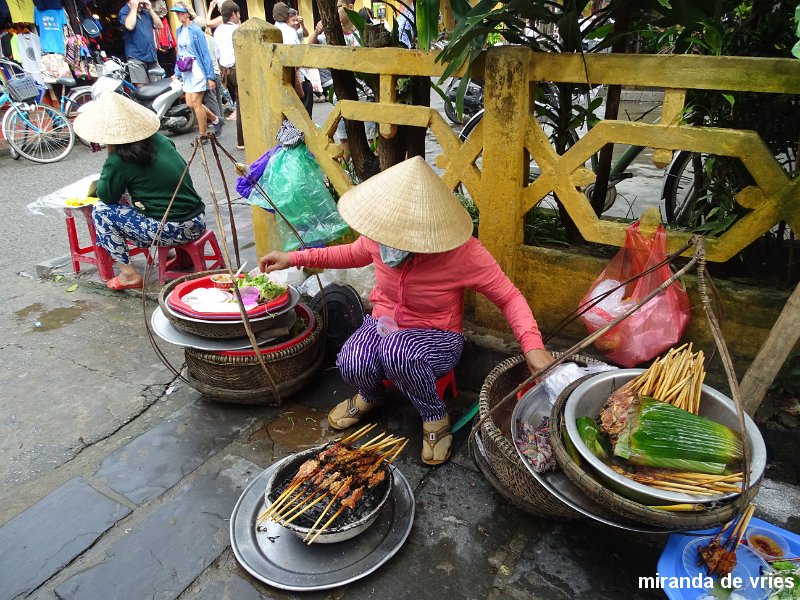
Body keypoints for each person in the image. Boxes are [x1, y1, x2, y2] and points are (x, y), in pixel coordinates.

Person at [258, 157, 554, 466]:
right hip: (385, 324)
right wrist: (292, 258)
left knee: (397, 353)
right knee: (349, 359)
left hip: (437, 335)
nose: (393, 241)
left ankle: (434, 416)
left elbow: (509, 297)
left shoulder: (463, 253)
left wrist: (533, 345)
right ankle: (370, 395)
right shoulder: (379, 235)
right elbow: (349, 253)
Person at [72, 92, 207, 291]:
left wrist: (110, 157)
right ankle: (180, 256)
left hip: (173, 230)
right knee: (145, 198)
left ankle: (128, 274)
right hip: (198, 220)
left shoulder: (119, 159)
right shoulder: (160, 140)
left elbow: (106, 195)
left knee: (101, 211)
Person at [309, 0, 376, 160]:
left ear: (350, 7)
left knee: (372, 137)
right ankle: (347, 175)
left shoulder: (362, 31)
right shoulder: (330, 33)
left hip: (365, 93)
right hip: (340, 93)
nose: (333, 11)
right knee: (344, 137)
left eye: (337, 7)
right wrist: (316, 33)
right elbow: (311, 49)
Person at [170, 1, 223, 140]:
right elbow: (180, 53)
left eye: (180, 13)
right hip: (186, 70)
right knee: (190, 103)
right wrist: (176, 72)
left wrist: (210, 77)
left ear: (188, 13)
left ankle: (203, 134)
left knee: (197, 102)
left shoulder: (196, 30)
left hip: (197, 69)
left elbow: (205, 54)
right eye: (177, 13)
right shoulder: (179, 30)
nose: (178, 16)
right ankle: (216, 119)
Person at [273, 1, 313, 117]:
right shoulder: (289, 32)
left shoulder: (272, 29)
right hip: (295, 73)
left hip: (278, 75)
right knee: (303, 105)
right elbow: (294, 56)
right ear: (287, 16)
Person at [213, 0, 244, 148]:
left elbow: (217, 52)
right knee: (243, 106)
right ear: (234, 14)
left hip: (227, 70)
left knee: (239, 103)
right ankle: (242, 140)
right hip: (239, 69)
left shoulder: (218, 30)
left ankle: (243, 139)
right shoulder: (238, 30)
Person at [119, 0, 164, 84]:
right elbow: (129, 26)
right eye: (140, 3)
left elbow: (159, 25)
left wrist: (150, 9)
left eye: (143, 3)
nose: (142, 5)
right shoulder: (125, 11)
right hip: (136, 56)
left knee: (159, 85)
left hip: (151, 55)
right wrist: (134, 8)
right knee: (143, 88)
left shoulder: (145, 13)